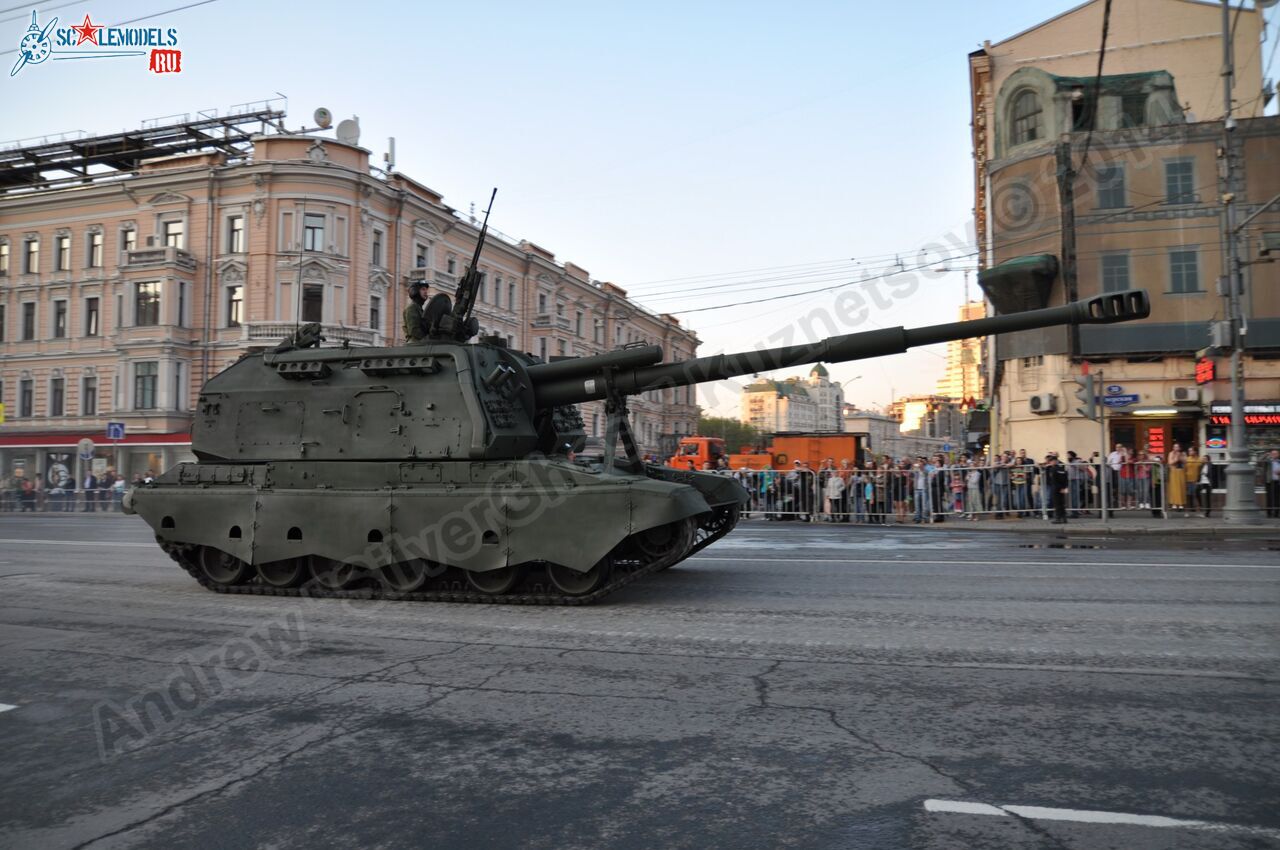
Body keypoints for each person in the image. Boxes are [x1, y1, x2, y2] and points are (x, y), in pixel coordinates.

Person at [1046, 454, 1070, 524]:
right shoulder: (1061, 468)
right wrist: (1064, 487)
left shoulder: (1052, 469)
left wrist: (1060, 488)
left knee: (1057, 504)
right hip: (1062, 488)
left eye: (1051, 461)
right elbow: (1065, 479)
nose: (1050, 462)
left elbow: (1054, 480)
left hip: (1056, 488)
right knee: (1062, 503)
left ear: (1053, 461)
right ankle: (1064, 518)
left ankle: (1058, 518)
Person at [1184, 447, 1205, 514]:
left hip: (1196, 480)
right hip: (1188, 480)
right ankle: (1188, 510)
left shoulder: (1199, 459)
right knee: (1188, 495)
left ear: (1195, 451)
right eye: (1189, 451)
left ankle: (1199, 510)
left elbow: (1202, 465)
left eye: (1191, 451)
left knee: (1196, 495)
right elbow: (1184, 469)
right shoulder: (1187, 459)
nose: (1189, 452)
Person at [1167, 443, 1187, 511]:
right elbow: (1170, 462)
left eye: (1177, 447)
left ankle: (1181, 504)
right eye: (1174, 447)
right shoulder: (1171, 453)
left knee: (1181, 487)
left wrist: (1180, 457)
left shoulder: (1183, 453)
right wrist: (1176, 458)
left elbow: (1185, 461)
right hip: (1174, 472)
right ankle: (1174, 503)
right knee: (1174, 488)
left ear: (1179, 448)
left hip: (1181, 472)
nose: (1176, 448)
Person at [1261, 449, 1280, 519]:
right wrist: (1265, 455)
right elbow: (1260, 461)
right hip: (1269, 482)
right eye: (1273, 453)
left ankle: (1276, 513)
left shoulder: (1279, 461)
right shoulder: (1268, 461)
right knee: (1269, 497)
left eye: (1276, 453)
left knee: (1277, 498)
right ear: (1271, 454)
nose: (1274, 455)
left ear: (1278, 455)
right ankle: (1269, 513)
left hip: (1278, 482)